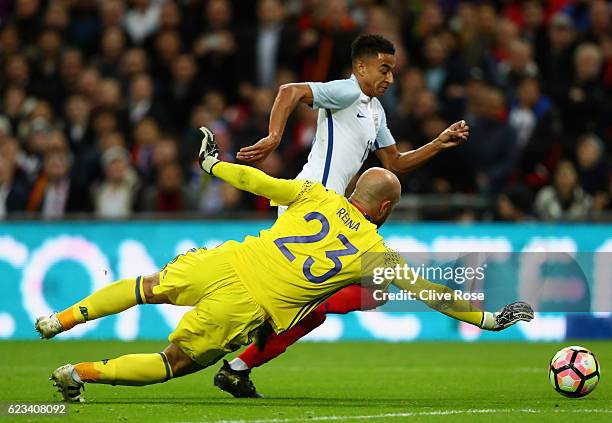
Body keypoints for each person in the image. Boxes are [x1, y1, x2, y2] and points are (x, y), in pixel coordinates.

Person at [35, 127, 533, 402]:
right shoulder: (374, 252)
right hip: (247, 305)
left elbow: (260, 184)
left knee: (146, 286)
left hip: (230, 258)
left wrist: (212, 166)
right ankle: (79, 374)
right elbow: (431, 292)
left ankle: (62, 318)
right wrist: (488, 319)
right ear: (384, 210)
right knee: (172, 363)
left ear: (354, 189)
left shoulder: (315, 193)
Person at [219, 33, 470, 397]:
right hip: (309, 206)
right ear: (361, 66)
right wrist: (274, 137)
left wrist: (438, 143)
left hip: (333, 214)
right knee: (365, 291)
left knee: (363, 295)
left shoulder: (375, 111)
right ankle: (271, 315)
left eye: (393, 71)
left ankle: (242, 362)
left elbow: (394, 163)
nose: (390, 79)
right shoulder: (347, 91)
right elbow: (289, 91)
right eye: (384, 70)